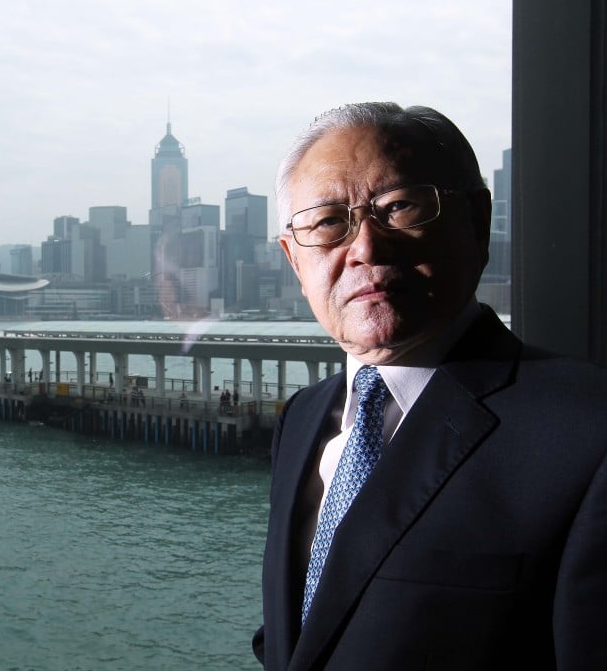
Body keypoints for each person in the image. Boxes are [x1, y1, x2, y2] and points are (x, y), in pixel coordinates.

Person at [252, 102, 607, 670]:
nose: (366, 247)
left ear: (477, 222)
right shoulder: (303, 417)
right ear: (295, 261)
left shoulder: (589, 434)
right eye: (326, 223)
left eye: (399, 207)